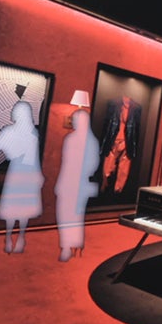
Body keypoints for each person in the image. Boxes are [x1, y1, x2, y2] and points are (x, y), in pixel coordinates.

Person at [0, 101, 42, 255]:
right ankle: (20, 238)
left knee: (12, 206)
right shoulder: (32, 133)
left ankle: (9, 237)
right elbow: (33, 159)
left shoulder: (9, 131)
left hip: (17, 171)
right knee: (23, 207)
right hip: (28, 172)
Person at [54, 108, 100, 262]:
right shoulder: (73, 139)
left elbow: (92, 164)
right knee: (66, 215)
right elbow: (65, 163)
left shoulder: (89, 142)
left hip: (78, 183)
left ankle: (72, 246)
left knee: (73, 216)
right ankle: (68, 246)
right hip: (68, 181)